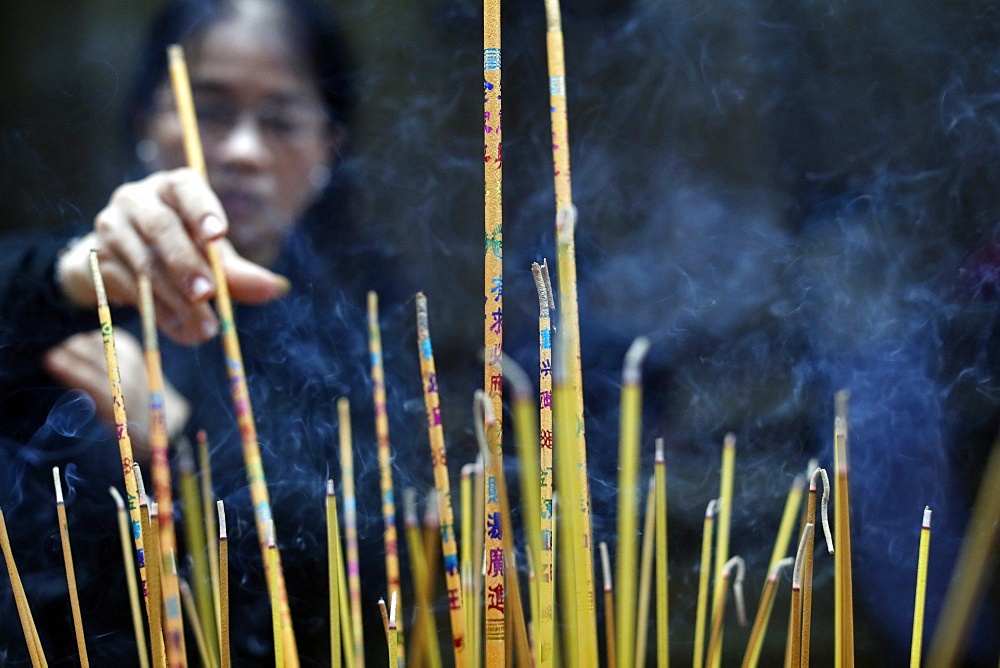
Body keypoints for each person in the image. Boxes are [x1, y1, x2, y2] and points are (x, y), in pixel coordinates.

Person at [0, 0, 417, 663]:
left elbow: (365, 579)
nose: (242, 151)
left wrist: (178, 445)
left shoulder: (367, 330)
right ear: (147, 121)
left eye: (281, 120)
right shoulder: (65, 288)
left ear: (327, 149)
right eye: (210, 111)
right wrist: (67, 279)